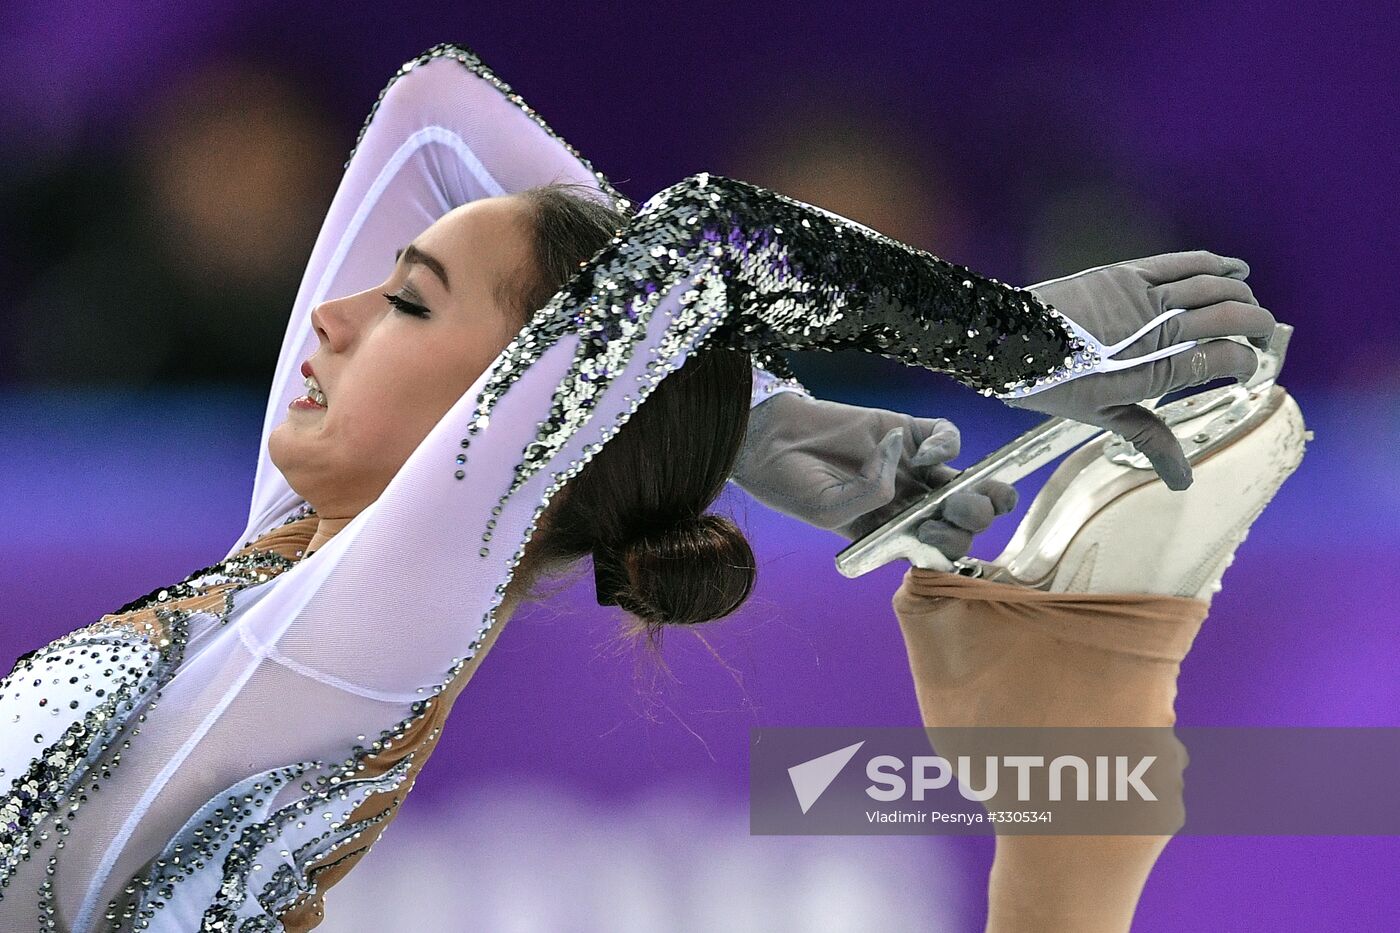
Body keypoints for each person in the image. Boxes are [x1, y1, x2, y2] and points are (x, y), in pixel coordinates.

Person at [0, 42, 1275, 931]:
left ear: (499, 426)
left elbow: (711, 240)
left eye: (405, 302)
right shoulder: (277, 571)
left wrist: (1031, 347)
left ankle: (1076, 763)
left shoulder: (361, 633)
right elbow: (432, 109)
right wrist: (754, 411)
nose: (327, 315)